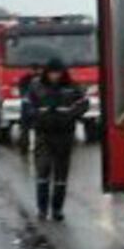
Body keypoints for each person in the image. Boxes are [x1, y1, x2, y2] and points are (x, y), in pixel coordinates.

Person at [25, 58, 88, 221]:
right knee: (43, 172)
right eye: (52, 73)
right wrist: (38, 116)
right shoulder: (36, 86)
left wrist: (69, 115)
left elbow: (84, 104)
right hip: (43, 135)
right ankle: (42, 209)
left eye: (57, 73)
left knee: (61, 176)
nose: (55, 76)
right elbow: (27, 106)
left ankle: (57, 209)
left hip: (64, 135)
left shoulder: (72, 87)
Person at [17, 63, 42, 153]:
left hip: (26, 105)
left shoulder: (24, 79)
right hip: (37, 106)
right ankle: (38, 148)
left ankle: (24, 147)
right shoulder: (42, 78)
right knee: (38, 128)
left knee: (25, 128)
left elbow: (21, 91)